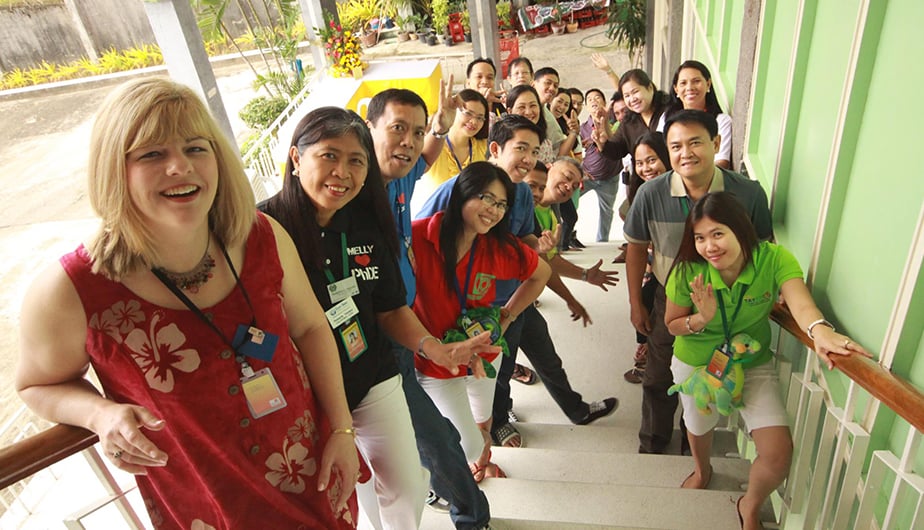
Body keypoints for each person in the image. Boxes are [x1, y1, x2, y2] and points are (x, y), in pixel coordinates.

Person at [15, 78, 360, 529]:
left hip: (312, 475)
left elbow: (312, 328)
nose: (180, 167)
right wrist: (99, 413)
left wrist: (341, 429)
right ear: (113, 169)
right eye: (152, 154)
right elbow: (34, 386)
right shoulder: (72, 289)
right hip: (206, 503)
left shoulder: (261, 236)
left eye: (196, 148)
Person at [260, 106, 493, 530]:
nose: (342, 172)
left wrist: (433, 347)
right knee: (345, 487)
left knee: (405, 484)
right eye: (329, 155)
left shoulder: (366, 225)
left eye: (356, 161)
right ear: (296, 158)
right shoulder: (261, 229)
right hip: (303, 390)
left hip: (372, 373)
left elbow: (388, 308)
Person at [665, 191, 868, 529]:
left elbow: (800, 303)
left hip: (750, 362)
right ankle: (703, 470)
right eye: (700, 237)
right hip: (698, 366)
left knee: (777, 454)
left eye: (718, 234)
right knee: (699, 425)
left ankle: (750, 504)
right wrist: (701, 318)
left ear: (741, 229)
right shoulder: (689, 271)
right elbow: (672, 324)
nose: (709, 246)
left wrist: (819, 331)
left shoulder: (773, 259)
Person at [366, 88, 492, 529]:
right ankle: (471, 514)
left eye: (414, 132)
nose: (408, 141)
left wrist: (438, 125)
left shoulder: (397, 176)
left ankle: (468, 509)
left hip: (405, 327)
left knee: (427, 440)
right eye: (397, 128)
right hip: (374, 345)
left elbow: (423, 156)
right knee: (431, 440)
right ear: (369, 130)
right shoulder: (349, 198)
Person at [623, 110, 772, 455]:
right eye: (675, 146)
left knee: (711, 370)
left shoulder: (747, 194)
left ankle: (694, 445)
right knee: (658, 375)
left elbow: (763, 248)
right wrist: (636, 302)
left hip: (728, 302)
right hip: (668, 298)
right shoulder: (651, 193)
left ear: (715, 143)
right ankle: (653, 445)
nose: (685, 153)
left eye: (695, 143)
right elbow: (635, 249)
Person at [412, 161, 552, 481]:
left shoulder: (497, 247)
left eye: (502, 204)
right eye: (486, 198)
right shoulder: (418, 238)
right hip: (438, 365)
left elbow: (541, 275)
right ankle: (472, 462)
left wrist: (506, 317)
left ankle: (484, 461)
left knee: (483, 421)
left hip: (483, 356)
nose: (494, 210)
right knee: (467, 442)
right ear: (462, 194)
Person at [622, 132, 672, 385]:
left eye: (651, 160)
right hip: (650, 263)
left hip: (671, 266)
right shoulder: (641, 192)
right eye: (639, 163)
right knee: (644, 303)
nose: (645, 168)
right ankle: (644, 353)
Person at [414, 88, 489, 213]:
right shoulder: (435, 144)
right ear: (454, 110)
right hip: (433, 219)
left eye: (480, 118)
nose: (474, 121)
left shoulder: (483, 146)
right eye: (468, 113)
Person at [659, 60, 732, 169]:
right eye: (683, 83)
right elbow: (658, 154)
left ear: (708, 84)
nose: (690, 88)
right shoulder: (666, 118)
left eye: (696, 81)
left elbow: (722, 163)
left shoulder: (721, 121)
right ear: (676, 89)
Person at [580, 88, 624, 243]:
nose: (594, 101)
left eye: (597, 97)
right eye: (590, 99)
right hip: (588, 176)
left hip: (610, 178)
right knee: (569, 202)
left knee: (607, 211)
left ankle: (602, 241)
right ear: (586, 106)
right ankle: (567, 236)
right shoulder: (582, 128)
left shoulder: (614, 122)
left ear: (605, 103)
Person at [533, 67, 579, 157]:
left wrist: (574, 132)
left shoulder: (550, 120)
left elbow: (559, 153)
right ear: (533, 84)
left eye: (556, 86)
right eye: (548, 83)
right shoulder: (519, 107)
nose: (552, 88)